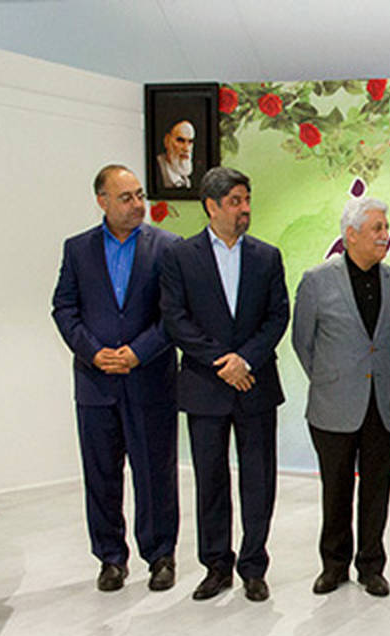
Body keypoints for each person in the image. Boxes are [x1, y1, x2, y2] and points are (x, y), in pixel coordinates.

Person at [160, 166, 289, 603]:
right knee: (210, 481)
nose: (244, 208)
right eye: (235, 201)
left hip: (255, 384)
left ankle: (254, 566)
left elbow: (278, 316)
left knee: (259, 480)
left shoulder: (267, 257)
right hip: (206, 386)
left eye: (246, 199)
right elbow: (176, 319)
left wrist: (245, 359)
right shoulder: (180, 256)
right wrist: (223, 362)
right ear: (211, 206)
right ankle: (216, 566)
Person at [51, 165, 181, 592]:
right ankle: (110, 558)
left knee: (155, 473)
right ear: (102, 201)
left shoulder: (168, 247)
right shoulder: (78, 249)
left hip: (150, 380)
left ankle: (160, 556)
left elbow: (175, 314)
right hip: (96, 384)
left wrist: (138, 352)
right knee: (101, 475)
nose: (138, 204)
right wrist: (92, 352)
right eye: (126, 197)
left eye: (140, 195)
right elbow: (64, 308)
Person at [292, 197, 390, 598]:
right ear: (351, 234)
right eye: (377, 228)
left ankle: (372, 567)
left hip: (383, 406)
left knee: (377, 490)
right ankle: (334, 565)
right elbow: (303, 342)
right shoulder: (316, 281)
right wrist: (331, 379)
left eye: (386, 227)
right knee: (336, 490)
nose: (384, 235)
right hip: (333, 405)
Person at [156, 120, 195, 189]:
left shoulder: (187, 178)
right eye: (180, 140)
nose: (186, 149)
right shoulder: (157, 170)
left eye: (190, 142)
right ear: (167, 141)